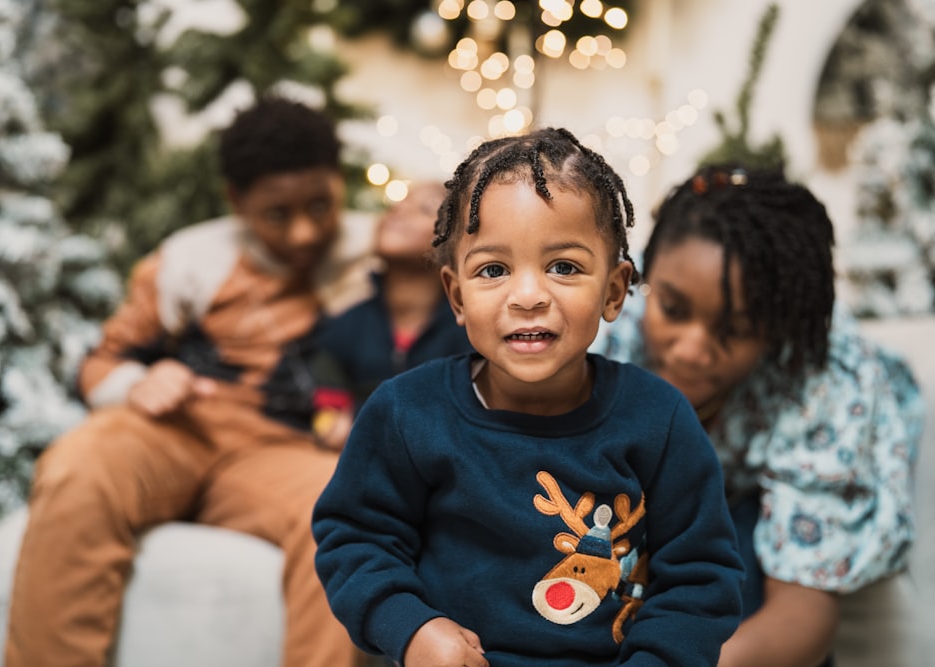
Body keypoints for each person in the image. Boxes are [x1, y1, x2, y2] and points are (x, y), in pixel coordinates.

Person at [312, 127, 746, 667]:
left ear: (613, 291)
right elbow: (355, 541)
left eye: (563, 267)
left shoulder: (659, 420)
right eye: (493, 270)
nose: (528, 296)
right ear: (457, 296)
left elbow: (701, 578)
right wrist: (413, 629)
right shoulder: (406, 413)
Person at [4, 95, 375, 667]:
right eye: (278, 214)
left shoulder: (377, 252)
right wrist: (136, 384)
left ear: (340, 183)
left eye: (320, 206)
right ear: (236, 201)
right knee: (79, 469)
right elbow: (102, 361)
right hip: (181, 426)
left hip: (284, 450)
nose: (303, 233)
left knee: (345, 513)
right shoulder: (189, 259)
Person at [589, 164, 926, 667]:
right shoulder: (613, 320)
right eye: (675, 311)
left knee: (732, 545)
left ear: (772, 331)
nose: (691, 349)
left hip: (771, 481)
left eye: (734, 330)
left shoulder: (824, 386)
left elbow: (803, 617)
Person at [310, 180, 473, 451]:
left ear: (456, 242)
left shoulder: (471, 331)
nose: (399, 210)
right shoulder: (345, 325)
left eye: (423, 208)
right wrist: (329, 425)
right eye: (396, 205)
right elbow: (325, 402)